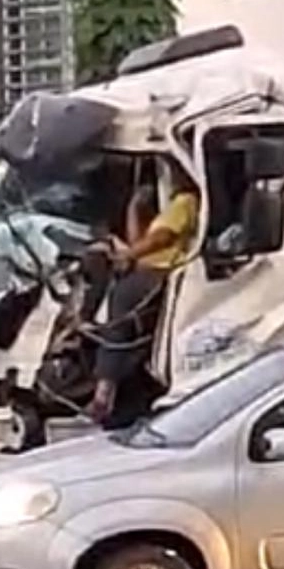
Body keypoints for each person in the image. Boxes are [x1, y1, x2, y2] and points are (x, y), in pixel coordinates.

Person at [89, 162, 200, 424]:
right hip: (144, 268)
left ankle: (105, 387)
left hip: (156, 275)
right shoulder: (167, 207)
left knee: (120, 310)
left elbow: (160, 239)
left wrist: (128, 254)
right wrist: (135, 208)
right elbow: (140, 241)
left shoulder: (185, 202)